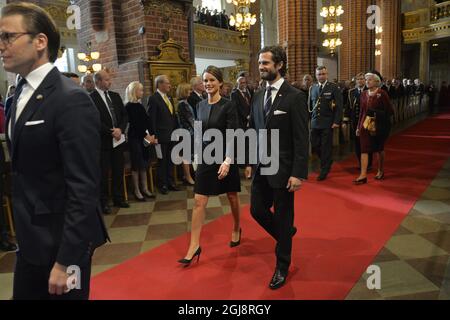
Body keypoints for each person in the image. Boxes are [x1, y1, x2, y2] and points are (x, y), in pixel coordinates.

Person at [0, 2, 108, 299]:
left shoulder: (69, 98)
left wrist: (66, 260)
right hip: (30, 238)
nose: (2, 45)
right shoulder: (19, 94)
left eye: (8, 36)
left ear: (40, 41)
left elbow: (84, 187)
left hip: (61, 243)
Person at [247, 46, 309, 290]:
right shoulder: (257, 96)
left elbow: (301, 139)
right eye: (260, 63)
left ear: (280, 64)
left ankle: (282, 267)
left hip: (284, 169)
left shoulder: (294, 96)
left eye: (266, 63)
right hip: (262, 166)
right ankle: (285, 235)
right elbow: (254, 132)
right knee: (256, 210)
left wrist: (298, 173)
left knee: (283, 216)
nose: (261, 67)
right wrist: (252, 162)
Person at [178, 66, 241, 266]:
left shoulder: (228, 105)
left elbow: (233, 134)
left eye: (212, 80)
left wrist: (228, 161)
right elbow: (198, 131)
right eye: (205, 80)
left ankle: (237, 227)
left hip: (225, 157)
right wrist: (196, 155)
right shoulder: (200, 105)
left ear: (220, 83)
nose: (208, 84)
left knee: (231, 196)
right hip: (206, 157)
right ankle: (194, 245)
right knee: (199, 201)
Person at [91, 70, 129, 214]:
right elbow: (94, 120)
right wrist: (111, 132)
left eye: (109, 79)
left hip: (118, 140)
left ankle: (119, 198)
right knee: (104, 173)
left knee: (118, 170)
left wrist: (120, 129)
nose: (110, 82)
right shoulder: (91, 98)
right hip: (104, 142)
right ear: (98, 82)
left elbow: (125, 115)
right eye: (106, 79)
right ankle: (104, 202)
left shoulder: (115, 95)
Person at [354, 73, 394, 184]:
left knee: (379, 148)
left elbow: (390, 111)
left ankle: (380, 170)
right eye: (366, 79)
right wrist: (358, 126)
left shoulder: (382, 93)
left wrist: (375, 113)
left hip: (380, 126)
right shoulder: (363, 94)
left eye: (370, 80)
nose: (367, 81)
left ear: (376, 82)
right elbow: (362, 112)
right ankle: (363, 175)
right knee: (364, 149)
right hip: (366, 124)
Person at [147, 75, 179, 194]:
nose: (170, 85)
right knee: (162, 161)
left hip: (171, 135)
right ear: (160, 84)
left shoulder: (169, 98)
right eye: (167, 83)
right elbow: (152, 119)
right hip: (160, 137)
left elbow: (173, 117)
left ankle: (170, 182)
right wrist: (154, 136)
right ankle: (163, 184)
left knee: (170, 160)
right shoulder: (153, 98)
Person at [309, 66, 343, 181]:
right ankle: (327, 160)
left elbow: (339, 106)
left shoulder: (333, 87)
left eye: (323, 74)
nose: (321, 76)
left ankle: (324, 169)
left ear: (327, 74)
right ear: (316, 75)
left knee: (325, 147)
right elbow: (310, 106)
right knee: (315, 144)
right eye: (319, 74)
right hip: (315, 122)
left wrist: (336, 121)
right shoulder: (312, 88)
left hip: (327, 122)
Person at [124, 81, 155, 201]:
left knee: (144, 164)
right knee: (136, 165)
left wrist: (152, 134)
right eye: (140, 90)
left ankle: (145, 188)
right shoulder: (128, 106)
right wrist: (146, 135)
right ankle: (137, 190)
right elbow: (135, 125)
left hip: (144, 138)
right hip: (135, 138)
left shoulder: (140, 105)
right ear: (134, 91)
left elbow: (147, 121)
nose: (142, 92)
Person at [344, 72, 373, 169]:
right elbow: (348, 107)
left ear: (365, 80)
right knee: (357, 143)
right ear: (355, 81)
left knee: (367, 142)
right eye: (358, 79)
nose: (360, 81)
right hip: (355, 122)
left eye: (362, 79)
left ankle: (368, 163)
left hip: (367, 121)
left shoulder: (369, 91)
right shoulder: (351, 92)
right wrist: (345, 120)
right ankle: (361, 163)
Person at [176, 82, 195, 185]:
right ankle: (188, 177)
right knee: (186, 156)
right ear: (184, 91)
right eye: (189, 90)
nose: (191, 91)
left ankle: (188, 175)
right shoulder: (182, 104)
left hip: (189, 132)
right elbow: (190, 119)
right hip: (186, 133)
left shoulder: (185, 103)